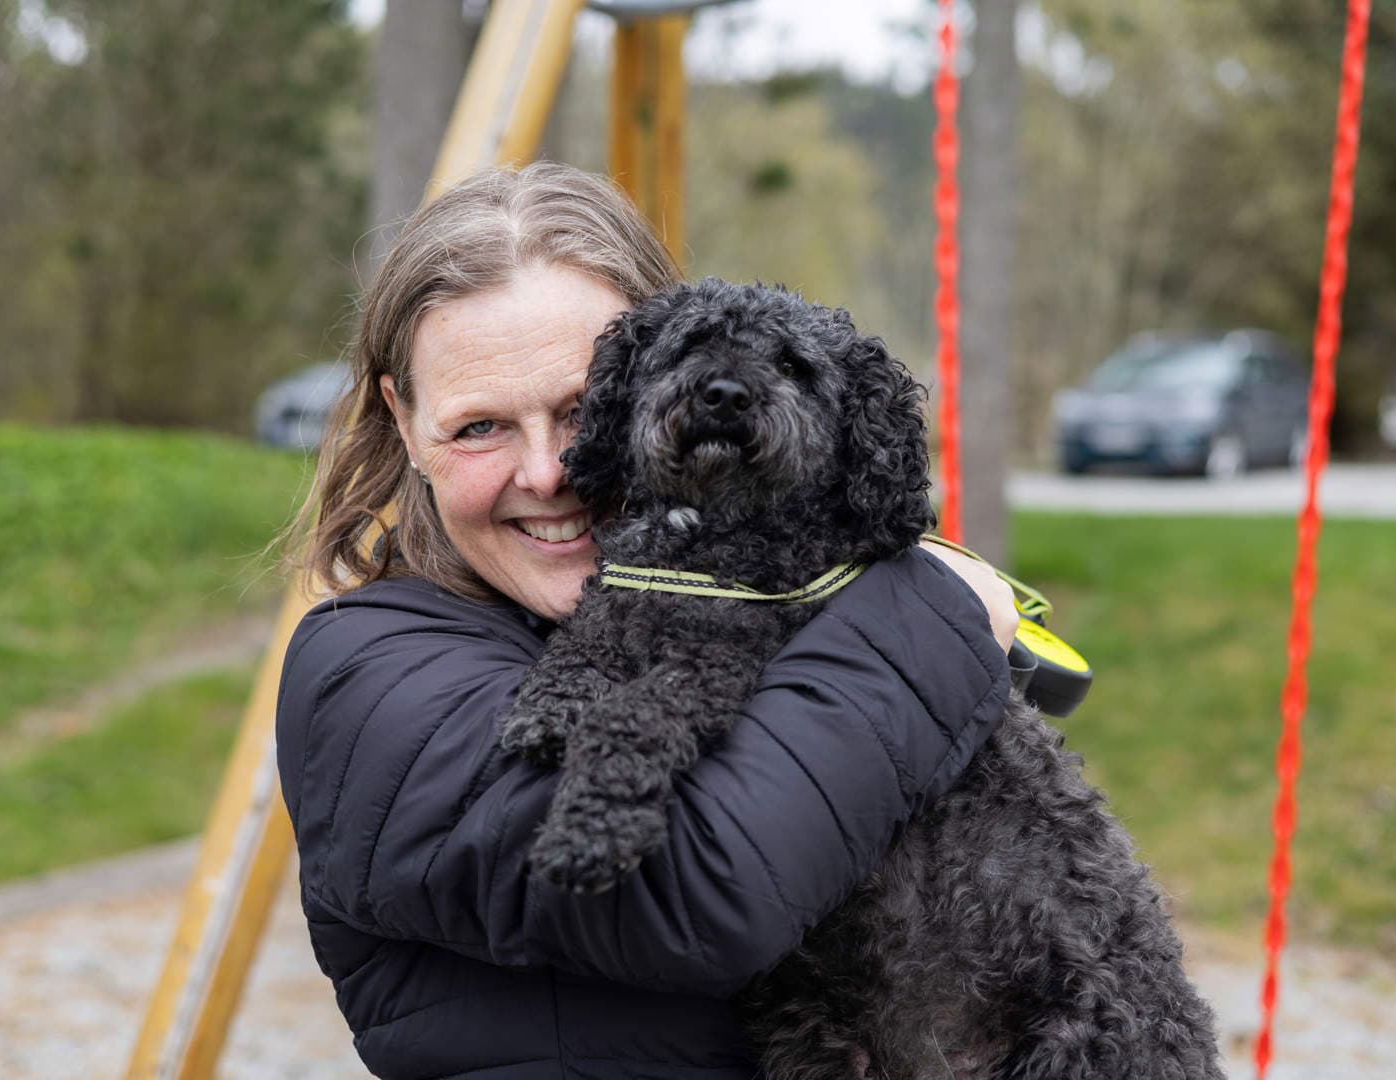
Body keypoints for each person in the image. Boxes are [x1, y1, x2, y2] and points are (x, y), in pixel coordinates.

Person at [276, 162, 1018, 1080]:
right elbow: (698, 891)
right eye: (480, 428)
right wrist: (936, 620)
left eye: (584, 410)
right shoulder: (364, 675)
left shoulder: (748, 607)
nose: (550, 473)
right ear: (403, 420)